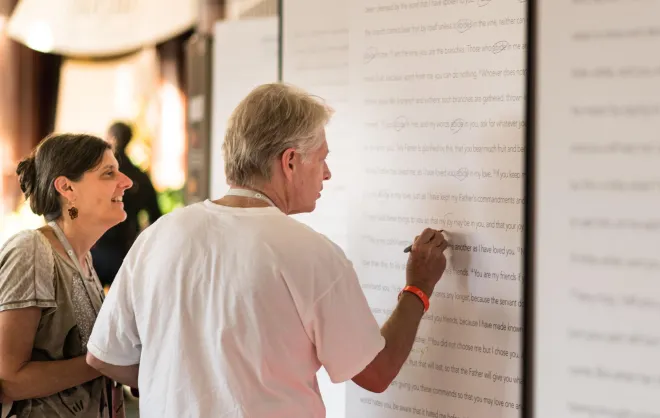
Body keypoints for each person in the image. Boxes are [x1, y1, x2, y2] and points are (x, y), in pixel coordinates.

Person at [85, 83, 450, 417]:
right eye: (321, 159)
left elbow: (104, 356)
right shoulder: (312, 254)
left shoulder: (158, 236)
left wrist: (176, 383)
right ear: (290, 162)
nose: (327, 174)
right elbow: (376, 372)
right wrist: (418, 287)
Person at [0, 133, 133, 417]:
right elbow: (9, 379)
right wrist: (108, 360)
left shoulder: (83, 260)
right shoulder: (32, 251)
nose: (127, 181)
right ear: (66, 188)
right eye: (109, 173)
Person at [91, 121, 162, 289]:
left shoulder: (94, 175)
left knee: (89, 310)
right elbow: (156, 217)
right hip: (126, 251)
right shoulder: (140, 177)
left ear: (110, 139)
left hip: (95, 249)